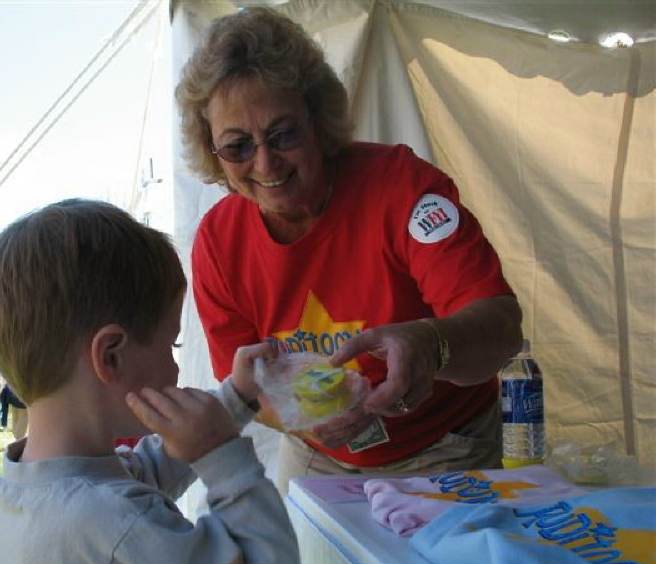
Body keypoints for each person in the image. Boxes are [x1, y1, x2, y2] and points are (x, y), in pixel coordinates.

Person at [176, 7, 524, 495]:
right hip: (317, 456)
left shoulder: (401, 188)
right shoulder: (218, 242)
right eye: (237, 147)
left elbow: (503, 328)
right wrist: (303, 421)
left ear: (317, 120)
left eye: (283, 134)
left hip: (446, 447)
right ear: (212, 150)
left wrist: (431, 344)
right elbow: (245, 381)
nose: (265, 162)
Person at [0, 199, 301, 564]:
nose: (176, 369)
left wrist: (236, 398)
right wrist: (226, 462)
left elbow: (139, 473)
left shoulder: (34, 485)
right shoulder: (110, 523)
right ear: (111, 355)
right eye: (171, 345)